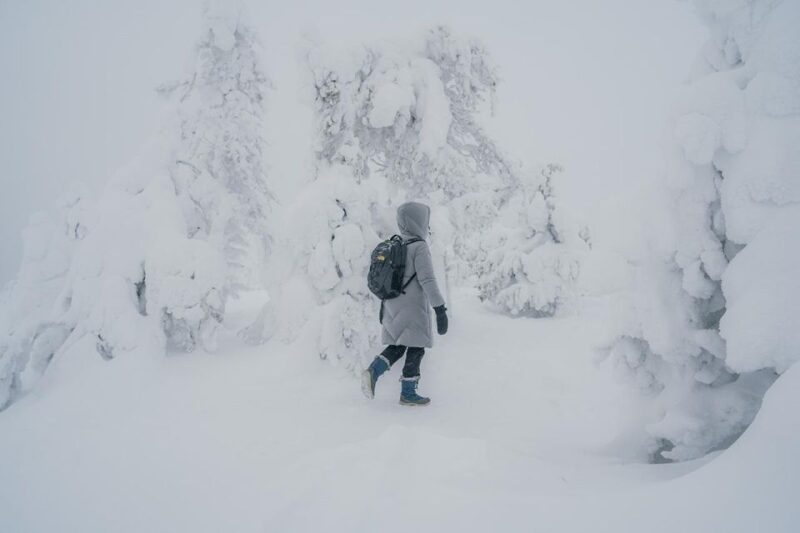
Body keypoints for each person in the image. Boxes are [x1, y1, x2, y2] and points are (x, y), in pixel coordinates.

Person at [361, 201, 448, 406]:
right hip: (413, 309)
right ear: (419, 221)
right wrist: (439, 309)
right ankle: (408, 392)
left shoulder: (396, 245)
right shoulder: (419, 247)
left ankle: (373, 371)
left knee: (397, 346)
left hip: (391, 305)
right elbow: (428, 280)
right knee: (417, 347)